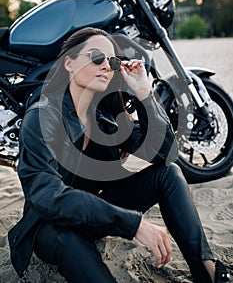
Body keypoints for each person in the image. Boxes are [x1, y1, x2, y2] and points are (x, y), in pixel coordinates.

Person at [8, 27, 230, 283]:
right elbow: (48, 197)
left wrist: (145, 94)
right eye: (96, 57)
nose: (105, 65)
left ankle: (208, 272)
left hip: (95, 215)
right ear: (69, 62)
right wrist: (134, 224)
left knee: (169, 174)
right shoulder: (42, 116)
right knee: (67, 236)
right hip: (50, 224)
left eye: (112, 61)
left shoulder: (106, 116)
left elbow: (166, 153)